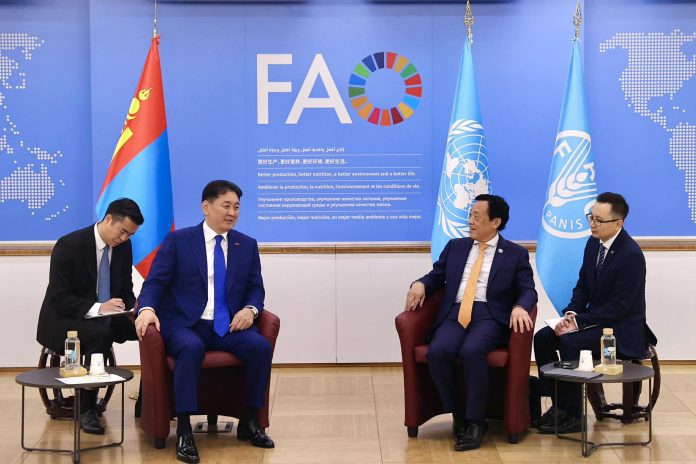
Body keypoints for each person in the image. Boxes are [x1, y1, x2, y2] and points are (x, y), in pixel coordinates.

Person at [135, 180, 273, 464]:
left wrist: (250, 310)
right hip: (187, 324)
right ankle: (185, 429)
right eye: (226, 206)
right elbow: (156, 282)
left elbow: (255, 288)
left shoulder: (246, 244)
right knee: (190, 348)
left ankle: (249, 420)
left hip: (228, 326)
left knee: (259, 347)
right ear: (206, 207)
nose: (232, 213)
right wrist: (146, 309)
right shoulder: (179, 241)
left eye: (237, 207)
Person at [404, 194, 537, 451]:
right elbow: (436, 276)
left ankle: (476, 422)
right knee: (439, 352)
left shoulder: (515, 253)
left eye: (477, 216)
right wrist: (420, 283)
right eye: (470, 215)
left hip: (490, 315)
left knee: (471, 351)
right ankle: (459, 414)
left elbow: (527, 289)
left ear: (496, 222)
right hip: (455, 313)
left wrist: (520, 307)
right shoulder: (456, 246)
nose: (470, 221)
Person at [533, 192, 649, 434]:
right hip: (594, 321)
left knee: (570, 343)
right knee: (543, 337)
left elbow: (619, 307)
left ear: (618, 223)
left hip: (621, 329)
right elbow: (583, 286)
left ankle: (575, 415)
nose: (592, 224)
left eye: (599, 220)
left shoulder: (631, 255)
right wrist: (571, 313)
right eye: (591, 217)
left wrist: (579, 323)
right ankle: (559, 405)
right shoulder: (593, 243)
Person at [36, 198, 144, 434]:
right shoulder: (69, 245)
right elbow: (59, 298)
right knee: (101, 333)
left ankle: (149, 399)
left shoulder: (123, 247)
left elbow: (125, 289)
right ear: (108, 219)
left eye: (130, 235)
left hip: (105, 315)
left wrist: (134, 311)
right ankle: (87, 409)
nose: (124, 238)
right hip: (65, 318)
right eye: (123, 231)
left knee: (148, 328)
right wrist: (98, 308)